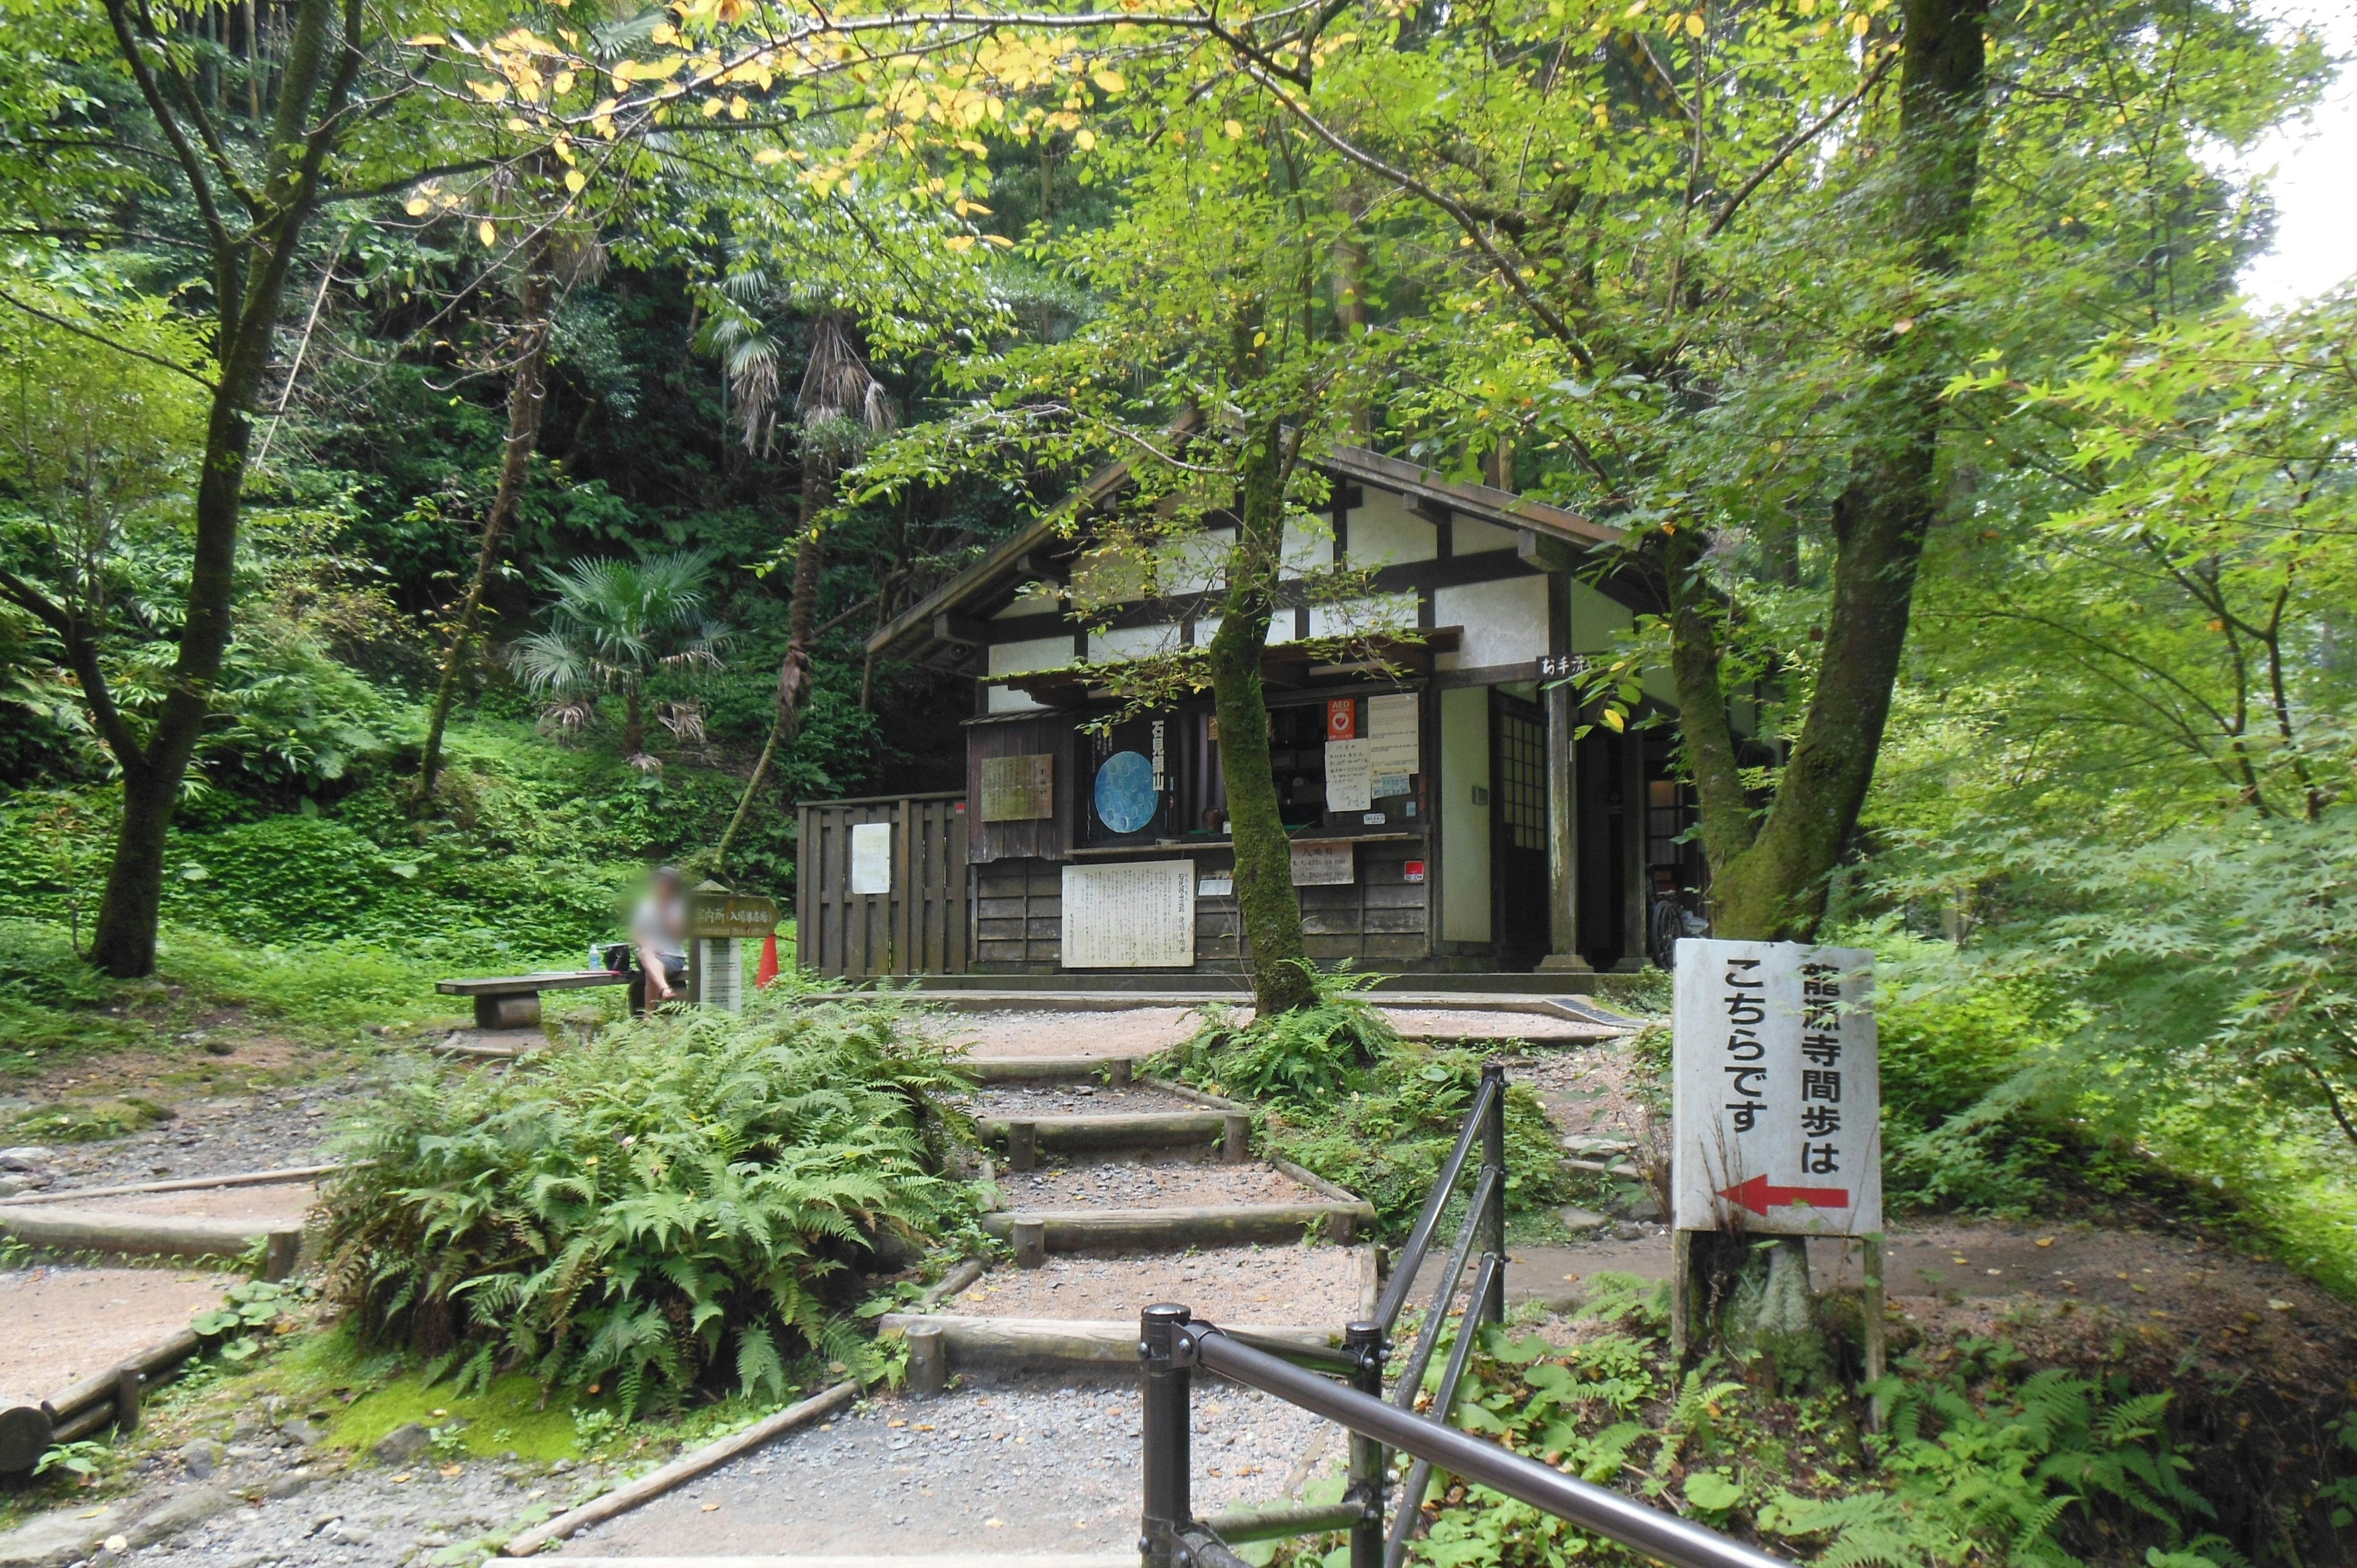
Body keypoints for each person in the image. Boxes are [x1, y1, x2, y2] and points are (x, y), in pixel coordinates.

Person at [630, 865, 688, 1012]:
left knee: (652, 971)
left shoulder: (678, 907)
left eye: (666, 885)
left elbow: (680, 935)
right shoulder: (646, 905)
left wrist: (665, 910)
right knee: (645, 953)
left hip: (673, 956)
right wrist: (647, 943)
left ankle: (648, 1017)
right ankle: (665, 989)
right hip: (648, 954)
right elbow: (634, 933)